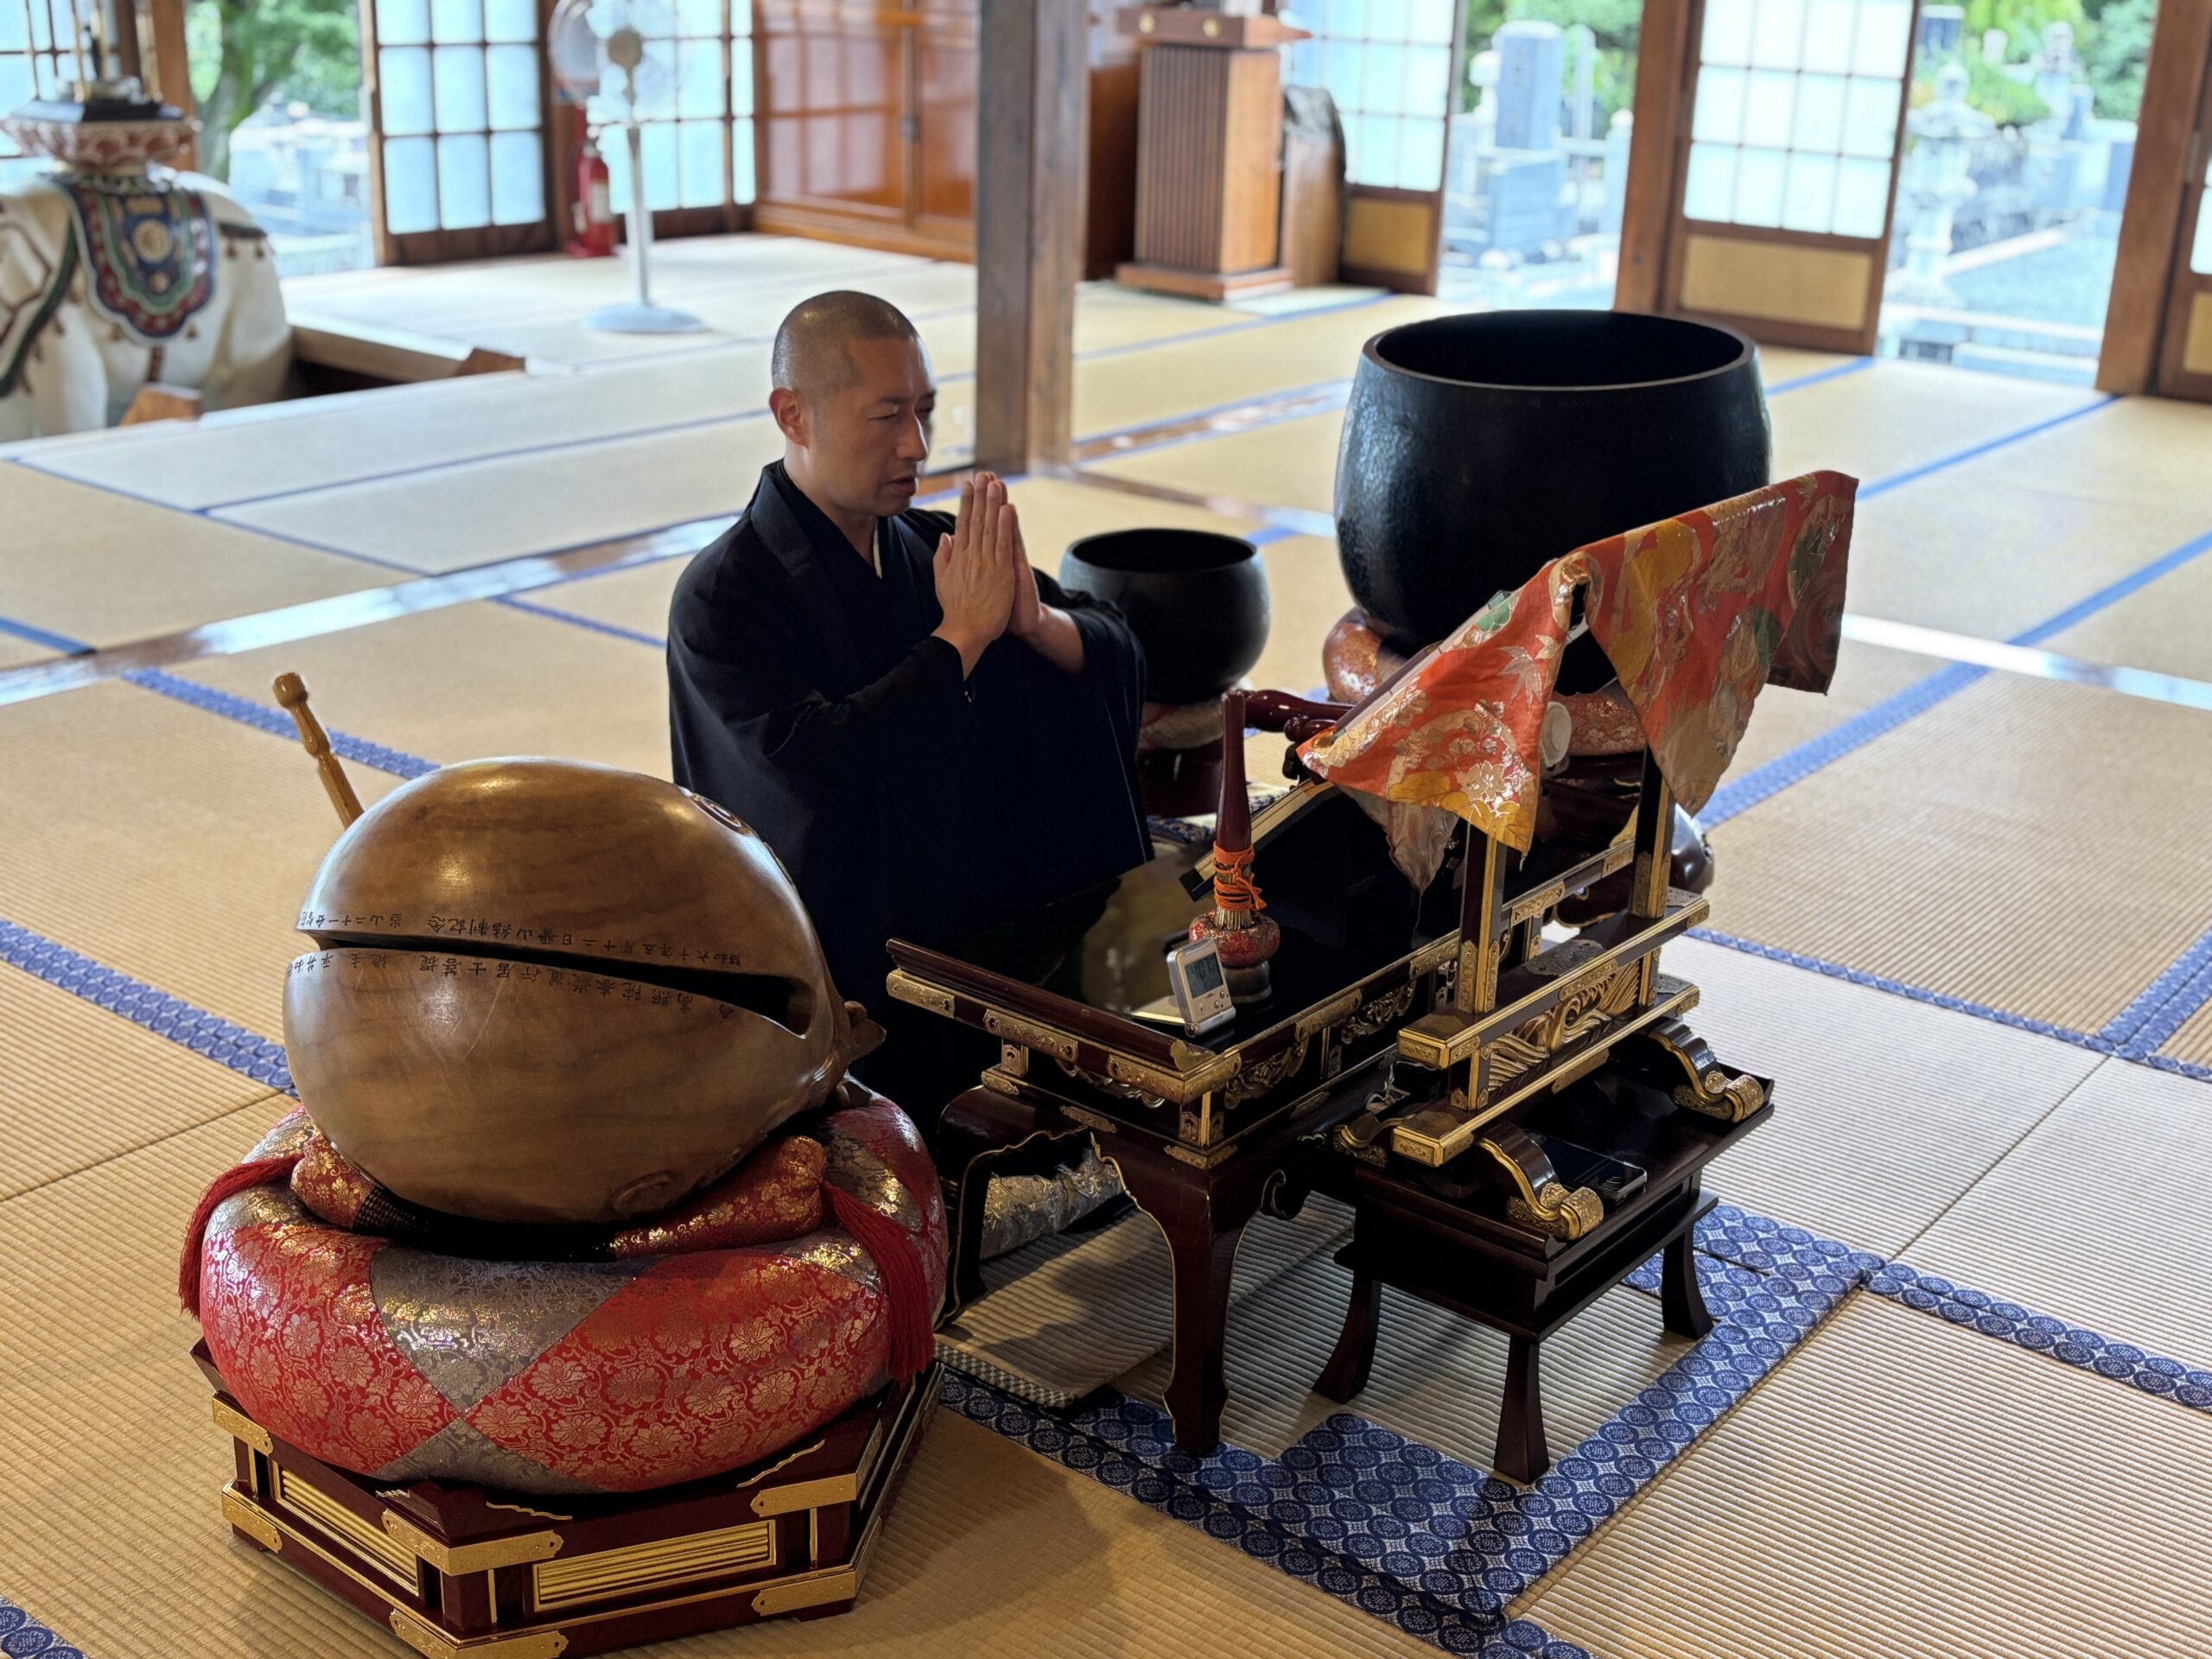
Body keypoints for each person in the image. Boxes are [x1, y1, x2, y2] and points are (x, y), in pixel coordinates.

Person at [667, 291, 1151, 1123]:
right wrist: (958, 638)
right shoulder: (724, 597)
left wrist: (1035, 625)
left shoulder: (931, 546)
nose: (917, 446)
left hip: (981, 923)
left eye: (924, 412)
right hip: (842, 961)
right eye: (888, 416)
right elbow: (807, 774)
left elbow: (1111, 648)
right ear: (795, 415)